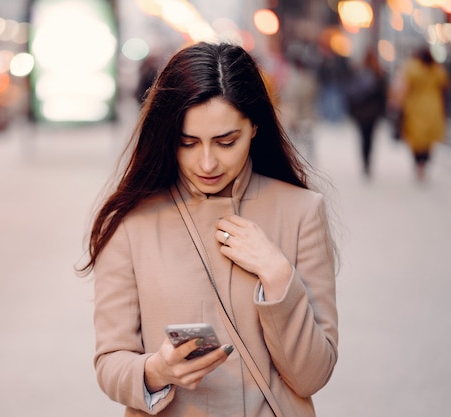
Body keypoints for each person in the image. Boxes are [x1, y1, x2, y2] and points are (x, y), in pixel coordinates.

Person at [78, 42, 339, 417]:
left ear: (254, 127)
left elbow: (313, 375)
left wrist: (279, 276)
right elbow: (109, 363)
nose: (206, 162)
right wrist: (156, 371)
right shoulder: (131, 221)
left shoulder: (301, 211)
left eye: (226, 142)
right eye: (187, 143)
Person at [392, 46, 448, 181]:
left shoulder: (412, 69)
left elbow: (404, 89)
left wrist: (397, 103)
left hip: (415, 107)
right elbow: (445, 86)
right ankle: (424, 162)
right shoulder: (437, 70)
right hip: (433, 106)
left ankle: (418, 163)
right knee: (429, 138)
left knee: (415, 137)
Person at [345, 49, 387, 178]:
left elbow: (350, 93)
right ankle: (368, 161)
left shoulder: (359, 73)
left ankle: (364, 161)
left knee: (363, 137)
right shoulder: (379, 74)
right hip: (373, 112)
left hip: (361, 113)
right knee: (370, 138)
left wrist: (351, 110)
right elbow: (383, 95)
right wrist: (382, 111)